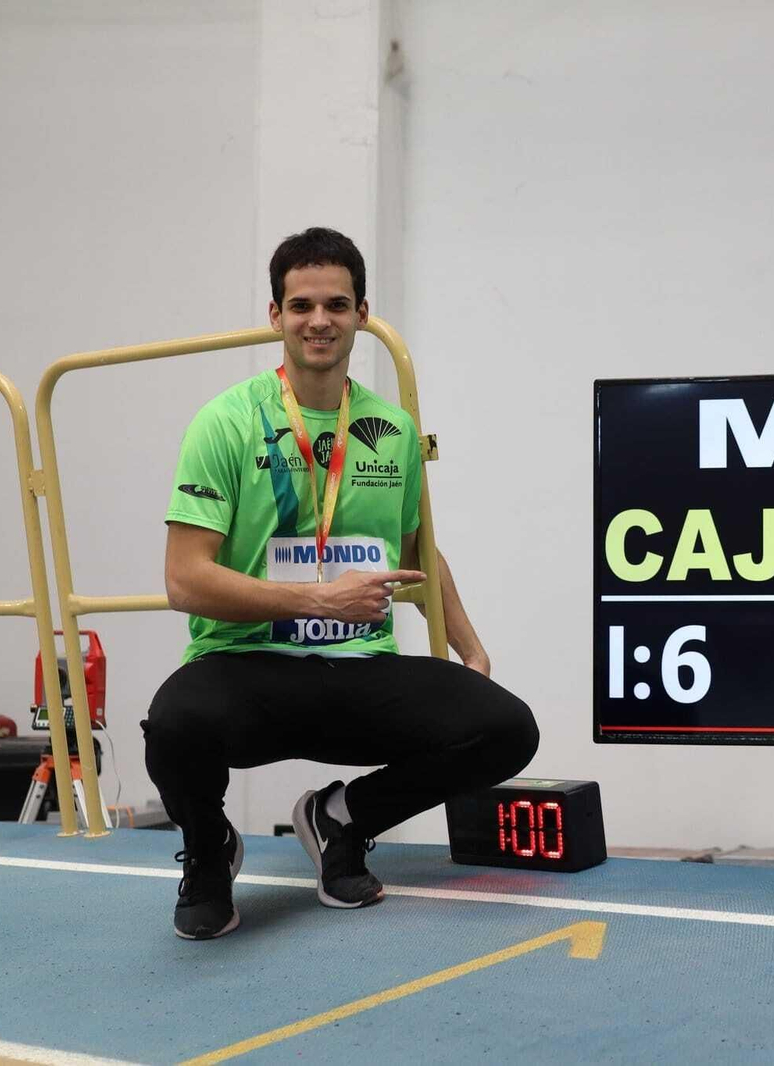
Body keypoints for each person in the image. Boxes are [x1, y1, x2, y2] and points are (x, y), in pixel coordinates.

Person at [143, 227, 538, 940]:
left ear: (361, 313)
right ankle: (209, 851)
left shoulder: (392, 429)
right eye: (301, 306)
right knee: (173, 726)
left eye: (335, 304)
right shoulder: (226, 423)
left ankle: (342, 820)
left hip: (359, 667)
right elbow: (185, 579)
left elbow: (421, 550)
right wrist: (317, 598)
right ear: (276, 316)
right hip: (246, 664)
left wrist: (471, 648)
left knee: (507, 728)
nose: (318, 321)